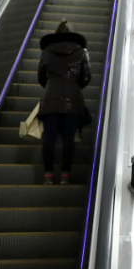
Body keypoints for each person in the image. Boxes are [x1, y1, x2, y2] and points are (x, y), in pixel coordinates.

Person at [38, 20, 91, 185]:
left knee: (49, 138)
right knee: (69, 139)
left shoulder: (46, 52)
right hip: (72, 101)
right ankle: (65, 176)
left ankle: (48, 175)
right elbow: (87, 77)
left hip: (50, 99)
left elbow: (40, 77)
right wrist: (74, 86)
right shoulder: (81, 52)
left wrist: (52, 85)